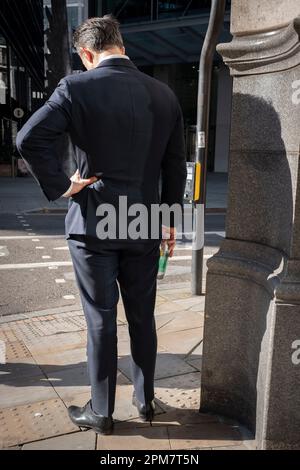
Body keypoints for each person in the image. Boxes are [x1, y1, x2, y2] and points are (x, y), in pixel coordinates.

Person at [16, 15, 187, 435]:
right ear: (122, 45)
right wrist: (168, 220)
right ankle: (145, 401)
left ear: (86, 53)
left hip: (94, 220)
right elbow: (174, 166)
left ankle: (101, 410)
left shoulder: (75, 87)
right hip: (145, 221)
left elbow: (27, 139)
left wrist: (63, 187)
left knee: (100, 319)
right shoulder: (164, 95)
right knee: (143, 316)